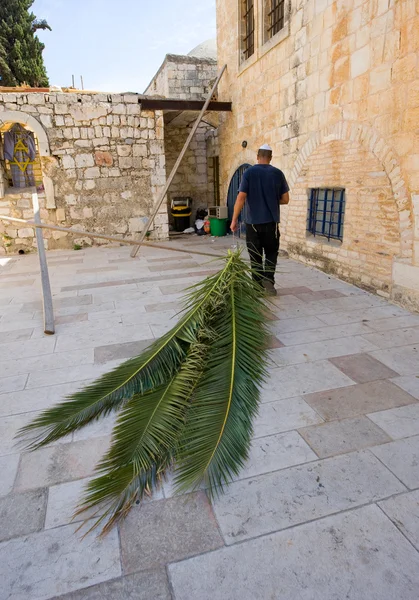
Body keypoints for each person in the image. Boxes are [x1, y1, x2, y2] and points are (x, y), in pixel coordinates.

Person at [230, 144, 290, 296]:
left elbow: (241, 197)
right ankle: (269, 282)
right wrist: (272, 200)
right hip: (271, 224)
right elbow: (285, 199)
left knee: (255, 256)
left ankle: (256, 287)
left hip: (253, 225)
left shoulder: (249, 173)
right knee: (271, 253)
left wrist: (234, 220)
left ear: (257, 157)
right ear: (270, 158)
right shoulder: (278, 174)